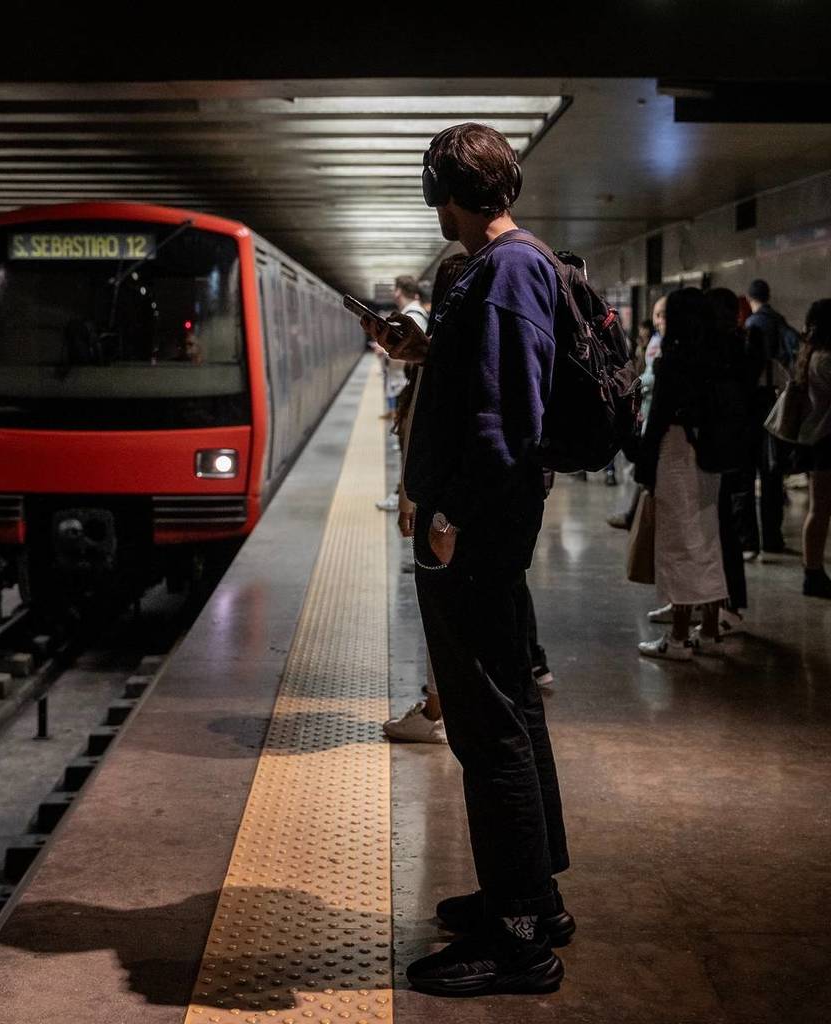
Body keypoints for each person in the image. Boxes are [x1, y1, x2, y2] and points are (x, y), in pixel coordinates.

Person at [362, 122, 571, 997]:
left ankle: (519, 942)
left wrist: (447, 511)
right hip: (485, 535)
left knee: (490, 735)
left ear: (441, 190)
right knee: (509, 716)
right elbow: (483, 379)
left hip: (477, 539)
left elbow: (508, 417)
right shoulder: (506, 269)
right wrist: (423, 348)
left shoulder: (508, 270)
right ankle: (531, 902)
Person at [383, 254, 467, 744]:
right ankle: (448, 706)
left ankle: (437, 710)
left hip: (445, 507)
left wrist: (409, 500)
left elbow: (422, 435)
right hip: (477, 505)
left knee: (442, 609)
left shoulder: (440, 364)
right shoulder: (474, 352)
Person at [635, 288, 727, 659]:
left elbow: (657, 419)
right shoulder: (717, 356)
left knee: (678, 542)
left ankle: (677, 638)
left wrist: (644, 462)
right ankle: (707, 625)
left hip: (675, 451)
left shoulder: (675, 360)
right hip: (708, 454)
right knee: (705, 536)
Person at [730, 279, 795, 557]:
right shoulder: (780, 322)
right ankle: (773, 537)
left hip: (750, 412)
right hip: (773, 408)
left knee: (745, 475)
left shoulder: (751, 331)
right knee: (771, 475)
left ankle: (748, 539)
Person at [606, 301, 666, 530]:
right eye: (657, 315)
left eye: (664, 315)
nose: (660, 320)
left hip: (653, 414)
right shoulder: (657, 343)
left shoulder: (664, 348)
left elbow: (651, 378)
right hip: (648, 410)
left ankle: (636, 516)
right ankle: (634, 515)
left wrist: (635, 385)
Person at [375, 276, 429, 511]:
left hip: (406, 386)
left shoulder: (413, 316)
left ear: (398, 292)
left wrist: (389, 349)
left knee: (407, 447)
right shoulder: (414, 314)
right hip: (404, 385)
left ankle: (403, 498)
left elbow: (416, 355)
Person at [794, 299, 831, 598]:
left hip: (816, 442)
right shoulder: (826, 360)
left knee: (818, 509)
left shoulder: (810, 355)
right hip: (825, 442)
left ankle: (813, 570)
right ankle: (813, 572)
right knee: (820, 510)